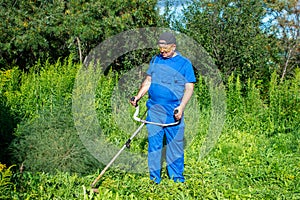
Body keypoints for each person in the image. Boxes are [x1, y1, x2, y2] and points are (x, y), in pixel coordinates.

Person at [130, 32, 196, 184]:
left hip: (173, 111)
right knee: (155, 146)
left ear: (174, 47)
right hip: (154, 110)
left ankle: (177, 179)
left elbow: (189, 88)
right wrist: (138, 96)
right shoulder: (156, 60)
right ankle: (154, 180)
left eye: (166, 50)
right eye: (160, 49)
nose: (162, 52)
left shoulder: (184, 63)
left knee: (175, 146)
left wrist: (182, 106)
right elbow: (148, 81)